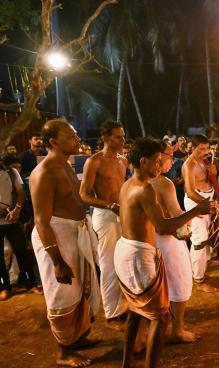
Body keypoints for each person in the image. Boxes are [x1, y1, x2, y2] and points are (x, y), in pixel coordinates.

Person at [114, 138, 218, 368]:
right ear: (144, 161)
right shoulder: (145, 188)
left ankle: (126, 364)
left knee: (135, 310)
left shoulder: (127, 184)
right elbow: (164, 226)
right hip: (138, 253)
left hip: (126, 249)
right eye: (157, 161)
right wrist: (195, 213)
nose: (161, 165)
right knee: (160, 318)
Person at [30, 119, 101, 367]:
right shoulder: (44, 172)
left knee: (80, 287)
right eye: (71, 136)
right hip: (56, 237)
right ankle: (64, 352)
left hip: (75, 233)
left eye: (75, 134)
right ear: (53, 142)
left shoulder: (66, 165)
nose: (77, 139)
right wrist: (57, 261)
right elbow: (41, 222)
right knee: (62, 293)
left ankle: (77, 338)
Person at [79, 121, 128, 326]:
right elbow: (84, 195)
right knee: (109, 263)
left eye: (123, 136)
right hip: (105, 216)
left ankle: (124, 306)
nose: (122, 140)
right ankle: (112, 312)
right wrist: (108, 205)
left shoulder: (123, 160)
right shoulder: (94, 161)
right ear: (106, 138)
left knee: (124, 260)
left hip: (123, 214)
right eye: (118, 136)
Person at [150, 142, 198, 343]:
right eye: (170, 155)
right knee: (179, 283)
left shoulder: (134, 182)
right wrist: (188, 225)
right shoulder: (163, 183)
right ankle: (177, 330)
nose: (173, 160)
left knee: (157, 286)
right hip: (168, 240)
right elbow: (176, 214)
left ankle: (158, 329)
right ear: (158, 157)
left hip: (148, 240)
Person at [182, 135, 219, 293]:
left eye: (207, 148)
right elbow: (190, 192)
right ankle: (198, 280)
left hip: (206, 201)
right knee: (199, 241)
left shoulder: (204, 161)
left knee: (204, 239)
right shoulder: (189, 165)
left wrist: (214, 172)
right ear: (193, 147)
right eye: (201, 148)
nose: (205, 151)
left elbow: (210, 181)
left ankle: (200, 272)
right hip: (196, 203)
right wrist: (209, 205)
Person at [0, 158, 39, 300]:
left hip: (12, 220)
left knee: (22, 252)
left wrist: (16, 210)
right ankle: (4, 287)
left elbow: (20, 193)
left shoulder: (11, 172)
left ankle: (31, 284)